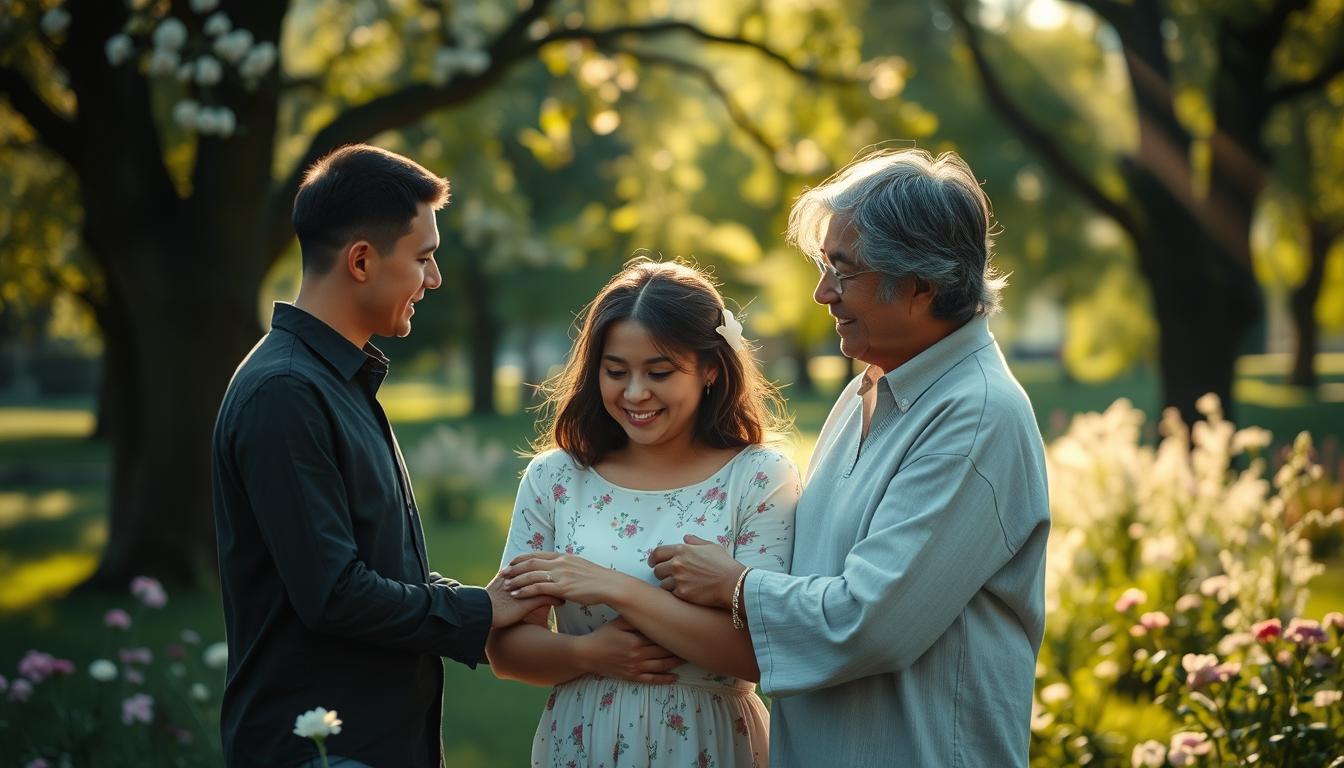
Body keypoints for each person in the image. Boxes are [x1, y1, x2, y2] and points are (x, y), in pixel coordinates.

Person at [642, 148, 1051, 766]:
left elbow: (870, 622)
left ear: (920, 283)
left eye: (844, 270)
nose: (822, 292)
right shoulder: (870, 388)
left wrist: (734, 585)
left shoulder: (975, 414)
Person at [211, 144, 553, 767]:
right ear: (362, 261)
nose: (434, 279)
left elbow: (376, 568)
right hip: (323, 750)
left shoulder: (336, 379)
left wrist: (487, 599)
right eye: (423, 258)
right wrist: (479, 610)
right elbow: (334, 593)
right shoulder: (287, 393)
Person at [490, 259, 800, 767]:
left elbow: (760, 653)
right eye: (616, 372)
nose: (635, 394)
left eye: (659, 372)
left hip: (707, 743)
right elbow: (504, 649)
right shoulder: (557, 478)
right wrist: (585, 655)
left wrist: (615, 587)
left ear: (711, 369)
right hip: (582, 740)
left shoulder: (760, 477)